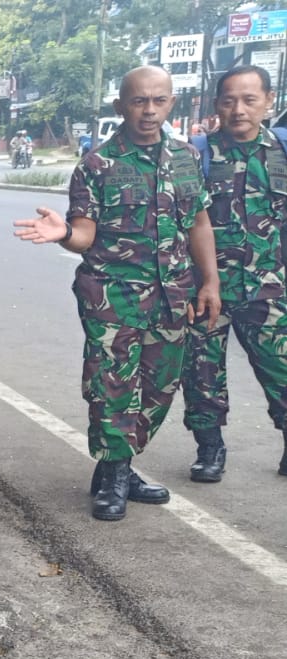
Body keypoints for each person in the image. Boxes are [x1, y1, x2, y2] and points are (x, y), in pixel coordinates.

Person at [13, 66, 222, 521]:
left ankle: (119, 463)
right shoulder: (97, 165)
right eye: (138, 101)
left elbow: (199, 223)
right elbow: (85, 234)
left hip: (174, 295)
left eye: (159, 100)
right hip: (113, 297)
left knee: (160, 387)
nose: (149, 111)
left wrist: (211, 281)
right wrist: (63, 232)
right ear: (120, 106)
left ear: (172, 103)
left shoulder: (187, 156)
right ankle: (114, 476)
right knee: (111, 387)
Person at [181, 64, 287, 480]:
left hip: (270, 288)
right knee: (202, 373)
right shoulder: (196, 154)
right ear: (216, 105)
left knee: (281, 367)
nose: (239, 109)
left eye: (249, 99)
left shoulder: (282, 151)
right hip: (209, 289)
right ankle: (210, 449)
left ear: (268, 101)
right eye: (229, 101)